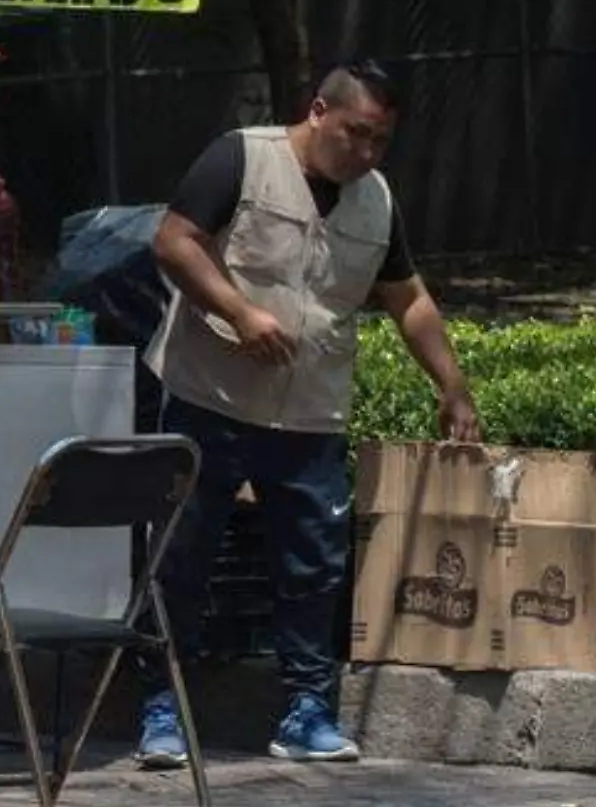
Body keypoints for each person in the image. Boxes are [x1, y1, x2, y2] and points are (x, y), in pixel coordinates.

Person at [138, 61, 479, 768]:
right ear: (319, 111)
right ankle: (161, 707)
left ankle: (307, 711)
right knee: (184, 556)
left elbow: (407, 299)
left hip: (311, 412)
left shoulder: (375, 199)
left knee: (313, 567)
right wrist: (237, 309)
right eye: (356, 133)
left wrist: (452, 385)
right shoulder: (241, 156)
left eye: (381, 141)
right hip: (210, 398)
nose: (366, 153)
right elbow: (173, 241)